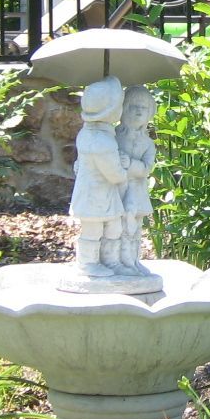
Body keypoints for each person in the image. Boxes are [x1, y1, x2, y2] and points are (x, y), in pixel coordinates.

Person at [70, 76, 128, 278]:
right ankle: (87, 263)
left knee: (114, 227)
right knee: (92, 231)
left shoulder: (88, 134)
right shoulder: (102, 141)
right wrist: (124, 168)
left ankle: (110, 261)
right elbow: (114, 174)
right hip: (93, 197)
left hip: (103, 195)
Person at [115, 84, 157, 275]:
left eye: (144, 107)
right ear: (123, 109)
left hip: (136, 192)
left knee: (135, 228)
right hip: (117, 189)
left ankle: (132, 260)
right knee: (116, 227)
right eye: (134, 106)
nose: (139, 111)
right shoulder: (113, 135)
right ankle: (116, 261)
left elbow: (147, 168)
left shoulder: (148, 144)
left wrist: (130, 163)